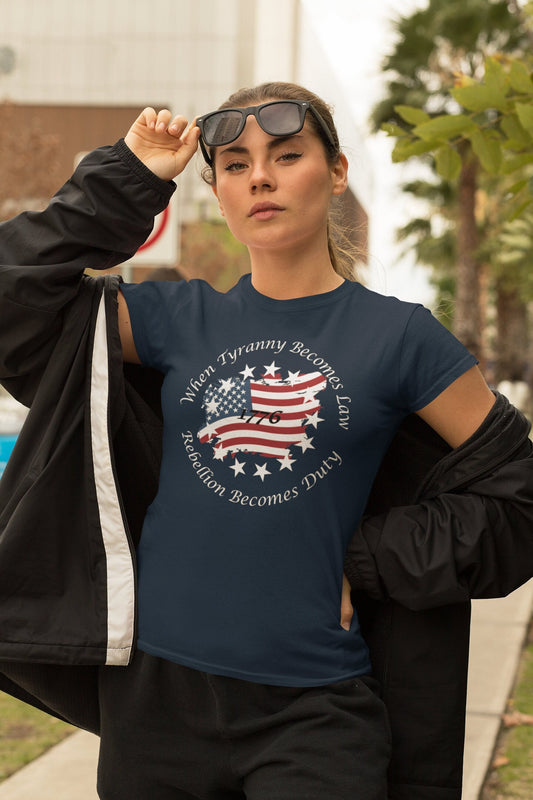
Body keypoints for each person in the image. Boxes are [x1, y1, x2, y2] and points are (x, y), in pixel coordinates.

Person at [0, 83, 532, 800]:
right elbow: (13, 296)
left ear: (335, 172)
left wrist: (373, 556)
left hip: (313, 714)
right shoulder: (173, 317)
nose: (259, 176)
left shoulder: (401, 337)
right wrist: (129, 177)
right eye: (234, 164)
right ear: (216, 188)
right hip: (154, 708)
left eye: (286, 155)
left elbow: (518, 495)